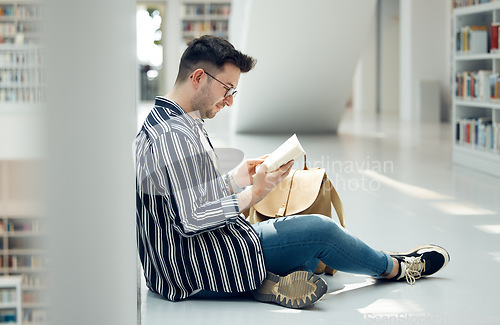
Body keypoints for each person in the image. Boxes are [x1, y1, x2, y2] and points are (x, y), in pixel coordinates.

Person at [134, 35, 450, 309]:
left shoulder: (167, 122)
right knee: (321, 232)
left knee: (313, 249)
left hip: (185, 262)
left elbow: (188, 197)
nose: (229, 101)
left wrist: (236, 178)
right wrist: (253, 194)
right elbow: (192, 218)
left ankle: (271, 282)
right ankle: (397, 267)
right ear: (199, 77)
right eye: (227, 89)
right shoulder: (174, 135)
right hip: (198, 267)